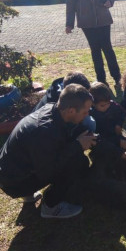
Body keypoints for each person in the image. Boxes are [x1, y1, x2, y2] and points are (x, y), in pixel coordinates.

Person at [0, 84, 97, 219]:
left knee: (69, 154)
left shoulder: (53, 108)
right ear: (71, 111)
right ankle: (51, 206)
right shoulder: (44, 131)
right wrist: (77, 145)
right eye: (85, 112)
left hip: (16, 167)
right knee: (76, 162)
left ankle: (29, 194)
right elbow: (48, 171)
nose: (87, 115)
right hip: (14, 181)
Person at [66, 0, 121, 91]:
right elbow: (70, 3)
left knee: (107, 48)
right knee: (95, 50)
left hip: (103, 18)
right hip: (87, 22)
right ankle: (101, 80)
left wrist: (109, 0)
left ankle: (117, 77)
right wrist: (69, 24)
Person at [89, 82, 126, 154]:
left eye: (108, 103)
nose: (106, 106)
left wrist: (119, 124)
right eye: (102, 105)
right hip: (102, 139)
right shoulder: (91, 114)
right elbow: (96, 136)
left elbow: (122, 113)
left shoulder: (113, 106)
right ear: (93, 103)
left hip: (115, 133)